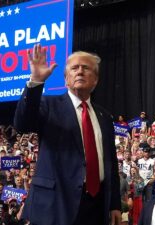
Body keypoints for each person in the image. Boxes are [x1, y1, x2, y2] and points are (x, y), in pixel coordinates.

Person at [14, 44, 121, 225]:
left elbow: (111, 164)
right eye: (74, 68)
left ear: (95, 80)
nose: (80, 71)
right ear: (66, 80)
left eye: (86, 68)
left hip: (96, 206)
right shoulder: (49, 105)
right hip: (55, 205)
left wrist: (114, 204)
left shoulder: (105, 116)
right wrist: (35, 82)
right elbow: (22, 125)